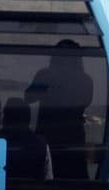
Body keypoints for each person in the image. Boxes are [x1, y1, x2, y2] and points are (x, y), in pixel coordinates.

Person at [28, 41, 96, 179]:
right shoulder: (84, 79)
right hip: (66, 138)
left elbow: (29, 97)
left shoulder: (47, 75)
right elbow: (29, 97)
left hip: (58, 137)